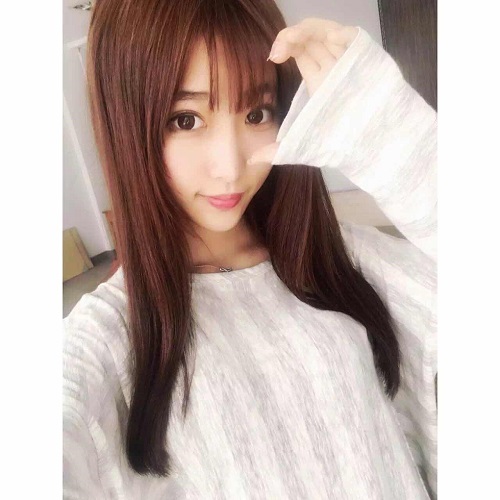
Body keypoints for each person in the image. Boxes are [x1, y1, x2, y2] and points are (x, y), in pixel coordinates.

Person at [63, 0, 437, 498]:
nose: (230, 166)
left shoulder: (339, 258)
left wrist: (394, 135)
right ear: (125, 127)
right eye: (186, 120)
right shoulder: (110, 335)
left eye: (256, 113)